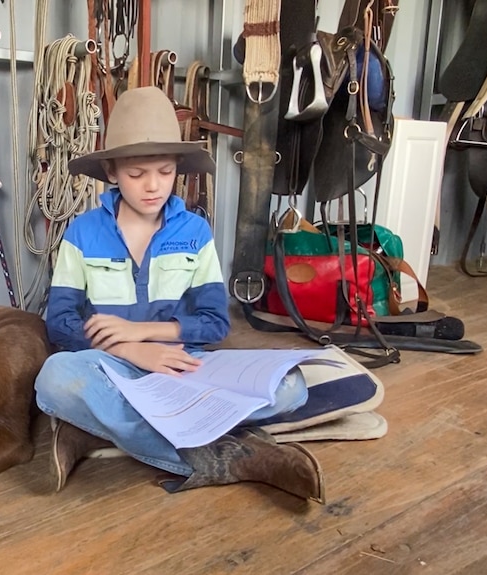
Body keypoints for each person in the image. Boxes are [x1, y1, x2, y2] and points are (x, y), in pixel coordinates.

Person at [34, 86, 323, 503]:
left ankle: (94, 430)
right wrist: (131, 352)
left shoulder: (194, 232)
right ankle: (230, 456)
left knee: (291, 386)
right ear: (113, 171)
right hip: (113, 371)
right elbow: (60, 324)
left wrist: (141, 333)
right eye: (136, 174)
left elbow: (215, 323)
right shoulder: (82, 233)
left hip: (183, 367)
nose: (153, 186)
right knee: (54, 379)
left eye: (165, 172)